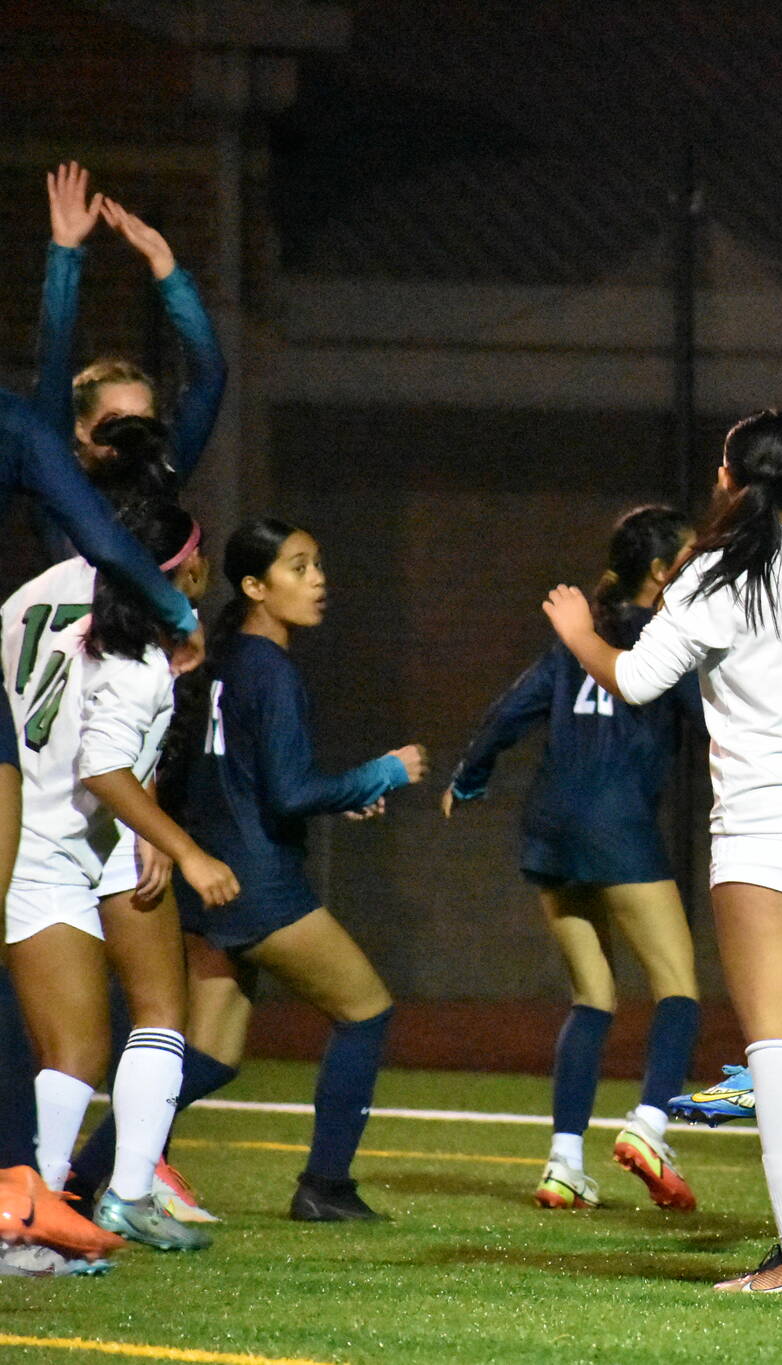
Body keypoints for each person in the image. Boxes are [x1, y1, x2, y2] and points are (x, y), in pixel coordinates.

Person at [546, 411, 782, 1293]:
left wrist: (577, 634)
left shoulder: (714, 572)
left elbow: (635, 679)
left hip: (768, 832)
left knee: (779, 1042)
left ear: (725, 478)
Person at [159, 519, 425, 1222]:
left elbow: (248, 783)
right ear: (254, 586)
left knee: (210, 1056)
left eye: (317, 565)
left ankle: (83, 1169)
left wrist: (341, 798)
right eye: (299, 567)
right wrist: (380, 772)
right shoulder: (270, 666)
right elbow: (291, 792)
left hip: (215, 877)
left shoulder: (227, 660)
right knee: (366, 1010)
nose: (318, 580)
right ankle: (325, 1186)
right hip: (259, 883)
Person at [447, 506, 706, 1213]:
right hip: (618, 825)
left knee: (593, 995)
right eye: (690, 555)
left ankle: (564, 1162)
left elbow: (510, 711)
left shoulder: (575, 638)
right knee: (679, 989)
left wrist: (468, 776)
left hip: (552, 827)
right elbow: (713, 718)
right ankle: (650, 1124)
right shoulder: (669, 637)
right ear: (661, 572)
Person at [0, 390, 200, 1273]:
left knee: (71, 1048)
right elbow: (111, 754)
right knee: (97, 1037)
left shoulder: (23, 599)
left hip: (37, 826)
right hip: (68, 840)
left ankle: (39, 1209)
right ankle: (63, 1202)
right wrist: (172, 836)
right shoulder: (137, 630)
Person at [33, 163, 225, 496]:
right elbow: (54, 364)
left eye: (143, 421)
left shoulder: (164, 471)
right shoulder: (58, 479)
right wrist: (64, 252)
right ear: (80, 428)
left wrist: (167, 268)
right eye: (114, 421)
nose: (131, 435)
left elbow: (210, 376)